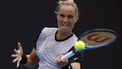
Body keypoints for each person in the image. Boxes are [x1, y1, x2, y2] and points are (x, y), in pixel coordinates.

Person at [11, 0, 83, 69]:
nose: (65, 20)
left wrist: (65, 66)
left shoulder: (76, 45)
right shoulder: (44, 33)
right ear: (57, 16)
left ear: (76, 18)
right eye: (62, 15)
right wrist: (22, 58)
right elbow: (33, 61)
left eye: (70, 16)